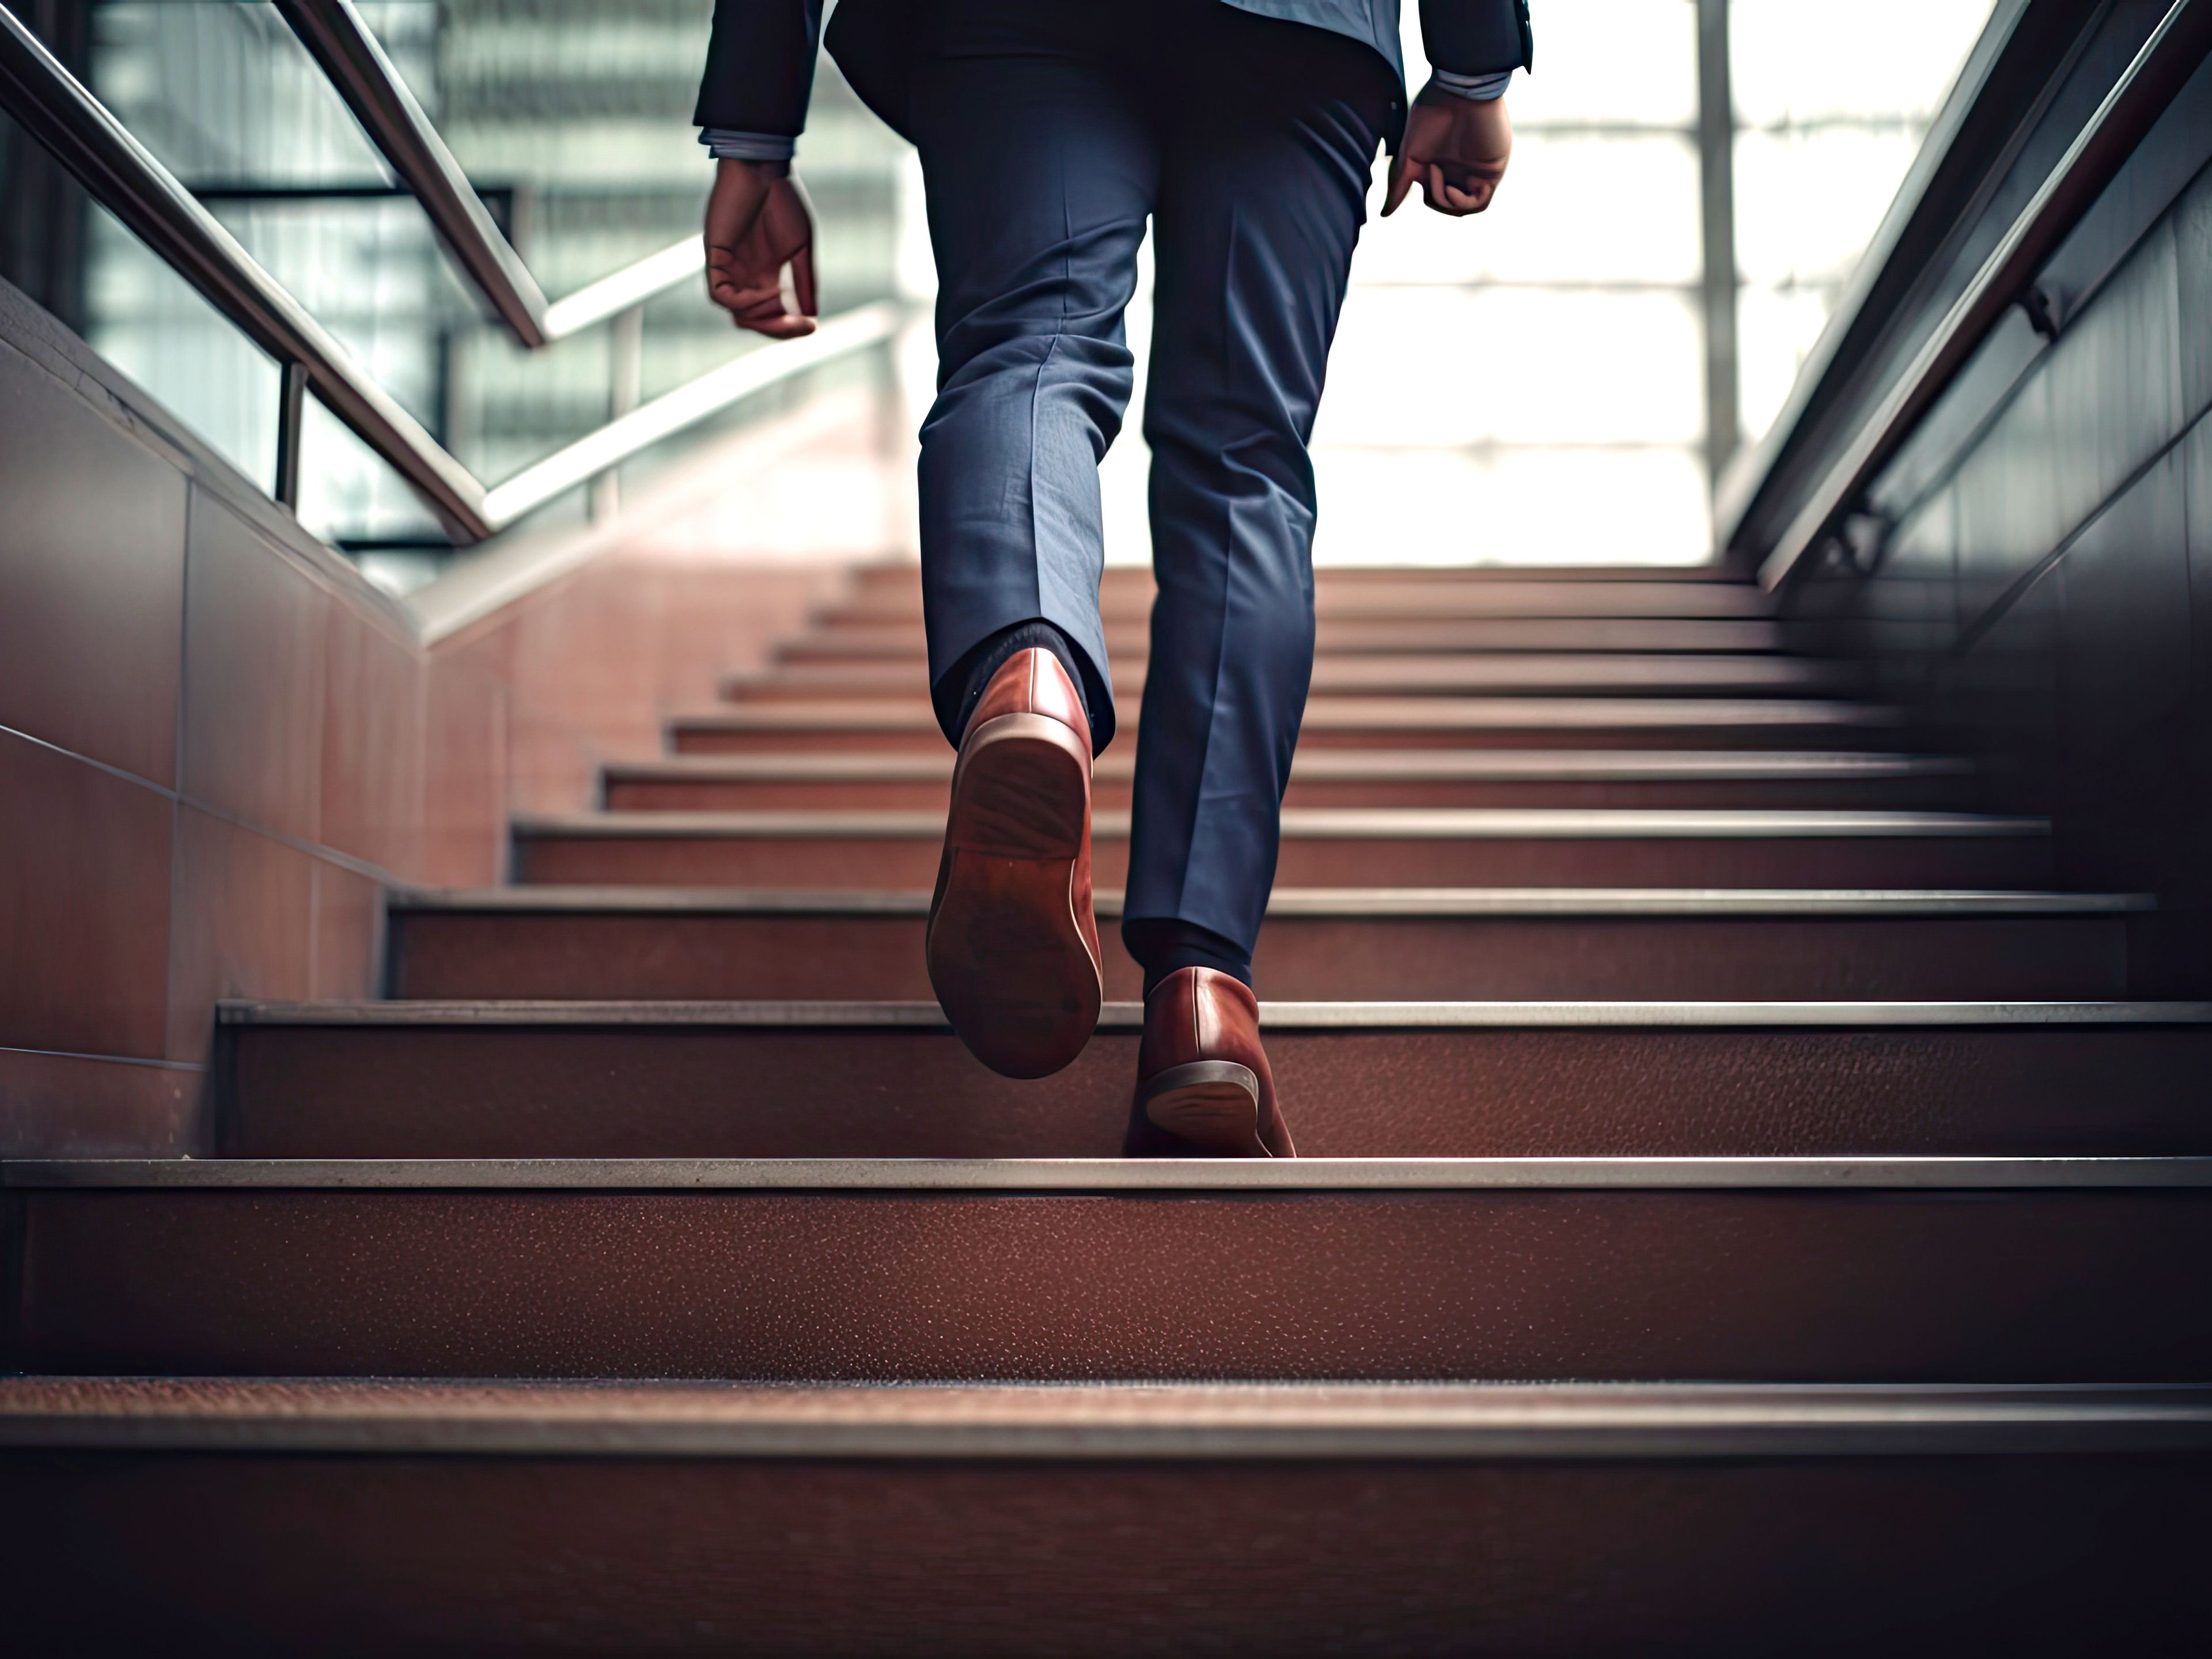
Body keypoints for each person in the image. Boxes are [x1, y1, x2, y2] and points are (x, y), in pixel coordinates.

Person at [697, 0, 1529, 1157]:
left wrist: (753, 127)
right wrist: (1476, 62)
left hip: (1014, 28)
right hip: (1300, 32)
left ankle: (1030, 677)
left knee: (1030, 350)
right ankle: (1203, 995)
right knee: (1244, 466)